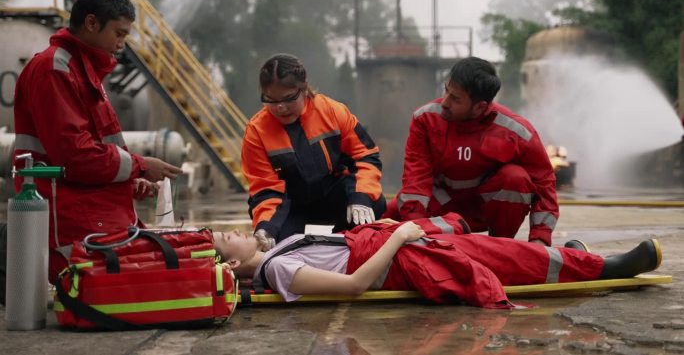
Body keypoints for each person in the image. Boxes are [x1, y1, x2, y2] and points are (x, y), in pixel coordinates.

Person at [11, 0, 183, 285]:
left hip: (94, 212)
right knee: (158, 277)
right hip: (72, 219)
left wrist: (128, 180)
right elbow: (76, 157)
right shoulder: (55, 69)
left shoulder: (83, 70)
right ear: (91, 23)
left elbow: (98, 149)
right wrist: (141, 165)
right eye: (119, 33)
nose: (121, 44)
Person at [213, 213, 662, 308]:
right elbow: (354, 285)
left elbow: (340, 243)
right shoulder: (278, 269)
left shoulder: (279, 247)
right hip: (397, 260)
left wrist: (389, 227)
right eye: (223, 241)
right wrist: (400, 238)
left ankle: (571, 260)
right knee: (496, 256)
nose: (229, 232)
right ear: (231, 266)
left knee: (494, 247)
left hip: (389, 242)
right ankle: (609, 267)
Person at [384, 57, 558, 246]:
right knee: (388, 214)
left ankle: (500, 246)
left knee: (515, 178)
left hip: (482, 211)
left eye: (456, 99)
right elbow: (416, 178)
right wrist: (413, 226)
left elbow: (544, 183)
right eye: (446, 91)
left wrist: (540, 239)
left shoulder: (517, 132)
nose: (445, 102)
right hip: (441, 205)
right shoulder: (425, 119)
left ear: (479, 107)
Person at [241, 53, 386, 246]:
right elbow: (265, 188)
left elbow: (366, 157)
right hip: (290, 206)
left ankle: (342, 246)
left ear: (304, 88)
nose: (281, 108)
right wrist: (266, 227)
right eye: (271, 100)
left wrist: (361, 197)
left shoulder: (333, 112)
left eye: (288, 98)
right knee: (278, 244)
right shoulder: (256, 131)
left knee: (373, 204)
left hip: (332, 196)